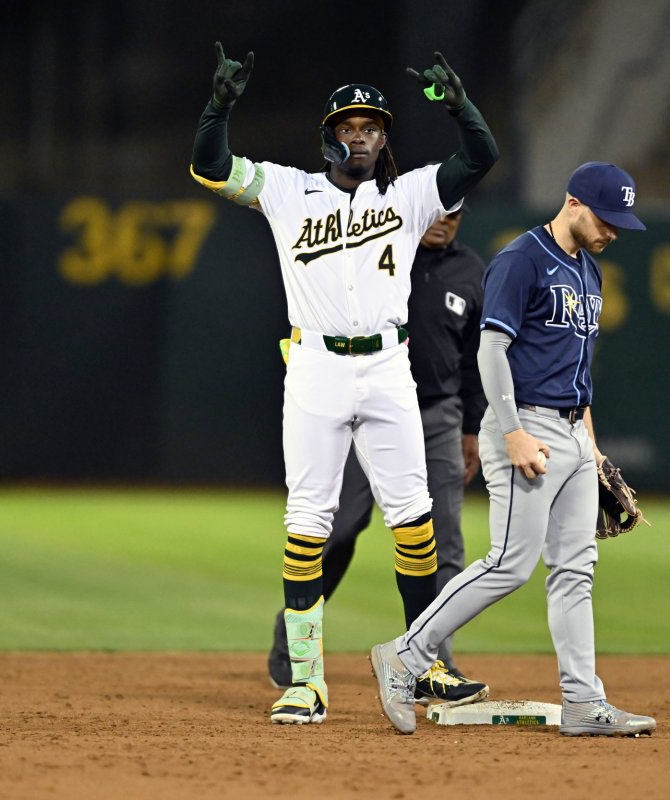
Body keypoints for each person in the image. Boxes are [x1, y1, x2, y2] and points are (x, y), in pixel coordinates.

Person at [190, 43, 498, 726]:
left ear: (384, 137)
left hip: (390, 368)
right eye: (347, 127)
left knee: (414, 521)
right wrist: (218, 107)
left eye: (371, 127)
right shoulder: (286, 189)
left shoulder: (411, 193)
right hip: (317, 369)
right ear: (328, 135)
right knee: (308, 524)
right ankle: (306, 682)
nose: (359, 137)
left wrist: (460, 106)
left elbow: (479, 157)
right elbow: (210, 166)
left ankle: (425, 667)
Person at [369, 162, 658, 737]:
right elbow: (491, 349)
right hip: (524, 425)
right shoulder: (520, 259)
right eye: (607, 218)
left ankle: (583, 702)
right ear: (573, 203)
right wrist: (510, 430)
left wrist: (592, 450)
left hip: (574, 433)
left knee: (576, 570)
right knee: (509, 564)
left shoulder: (590, 273)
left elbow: (578, 370)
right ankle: (404, 655)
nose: (614, 231)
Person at [267, 209, 489, 707]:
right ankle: (293, 640)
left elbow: (477, 354)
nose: (446, 220)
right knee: (338, 528)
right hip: (361, 410)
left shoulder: (471, 269)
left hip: (438, 416)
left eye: (456, 211)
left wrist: (473, 425)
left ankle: (432, 656)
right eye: (439, 209)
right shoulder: (383, 251)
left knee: (444, 540)